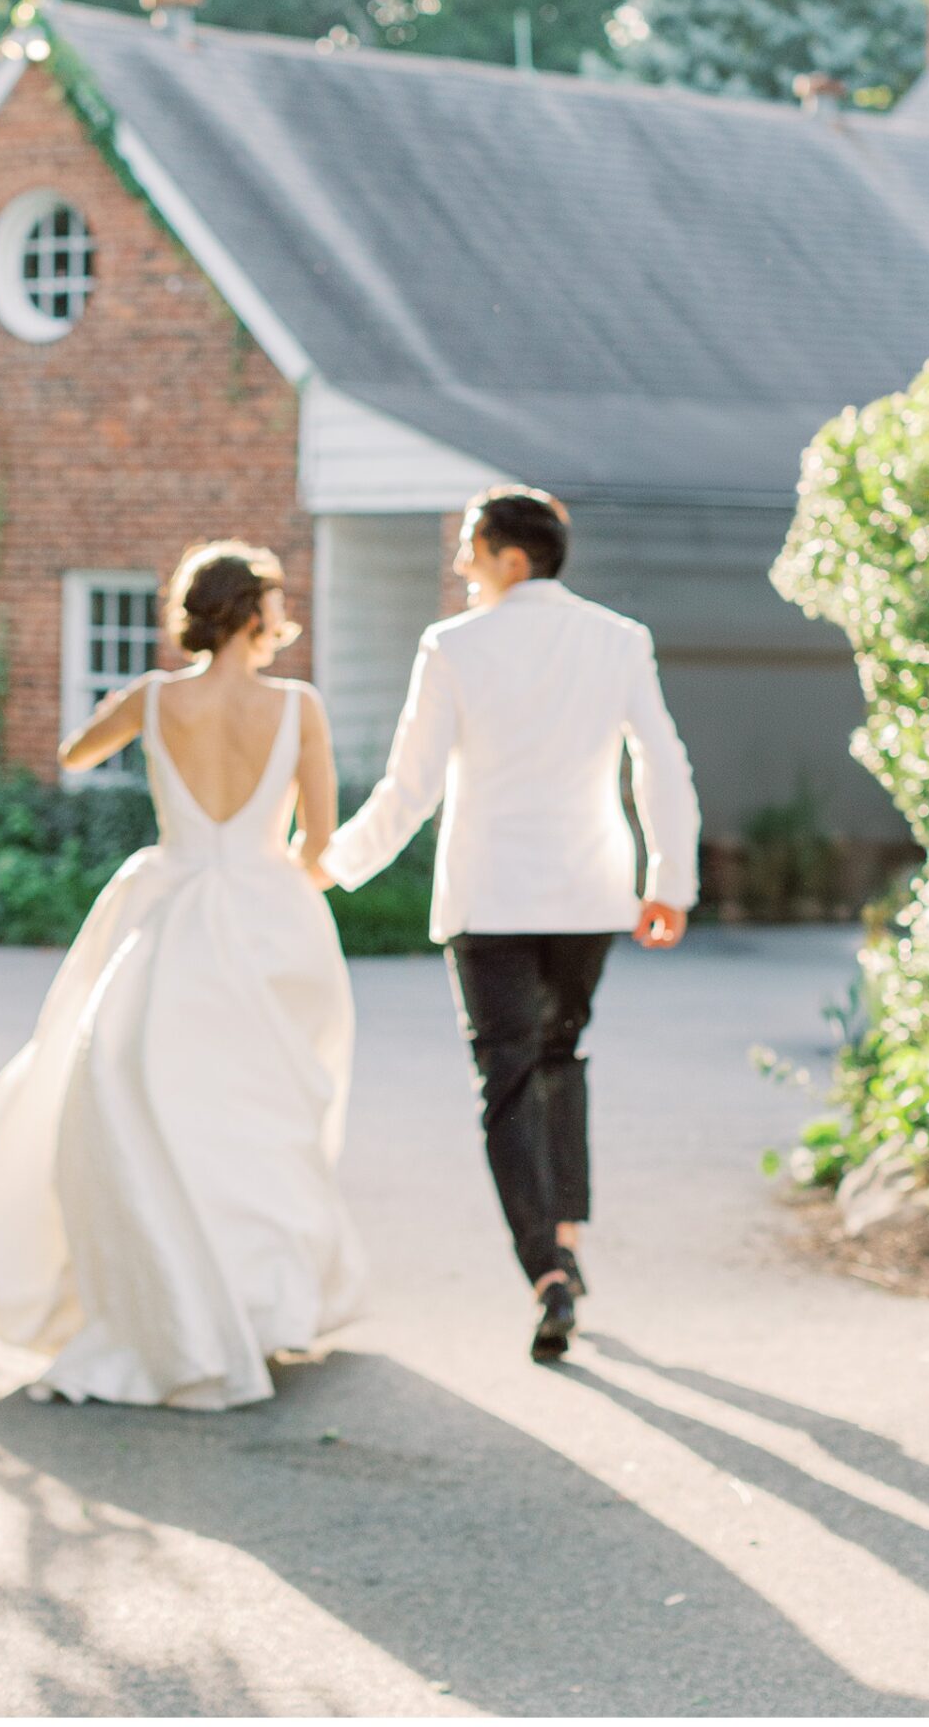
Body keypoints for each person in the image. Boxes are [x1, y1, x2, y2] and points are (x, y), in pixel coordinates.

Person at [0, 541, 364, 1410]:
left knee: (146, 1105)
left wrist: (141, 724)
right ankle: (257, 1304)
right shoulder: (298, 706)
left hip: (169, 913)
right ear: (254, 613)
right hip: (268, 921)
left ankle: (175, 1306)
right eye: (273, 603)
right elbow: (317, 848)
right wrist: (275, 871)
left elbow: (75, 755)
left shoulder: (153, 700)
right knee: (256, 1119)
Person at [311, 488, 698, 1363]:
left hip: (489, 898)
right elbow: (660, 763)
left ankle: (545, 1273)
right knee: (560, 1059)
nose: (459, 566)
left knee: (507, 1082)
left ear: (510, 558)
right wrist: (669, 881)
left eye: (468, 549)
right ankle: (565, 1239)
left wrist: (332, 865)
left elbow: (409, 786)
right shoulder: (618, 639)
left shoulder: (451, 647)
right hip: (589, 894)